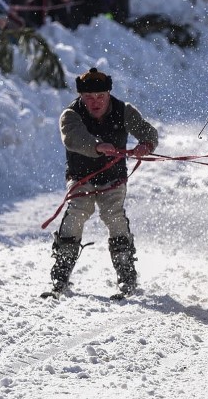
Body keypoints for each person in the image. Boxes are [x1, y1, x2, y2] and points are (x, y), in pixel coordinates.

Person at [45, 67, 158, 297]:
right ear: (81, 97)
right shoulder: (70, 115)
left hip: (113, 178)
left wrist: (146, 145)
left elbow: (149, 132)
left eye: (100, 97)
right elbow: (73, 138)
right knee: (77, 212)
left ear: (108, 94)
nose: (95, 102)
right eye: (89, 97)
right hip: (81, 178)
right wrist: (96, 146)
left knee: (114, 215)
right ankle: (60, 276)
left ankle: (126, 277)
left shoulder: (124, 111)